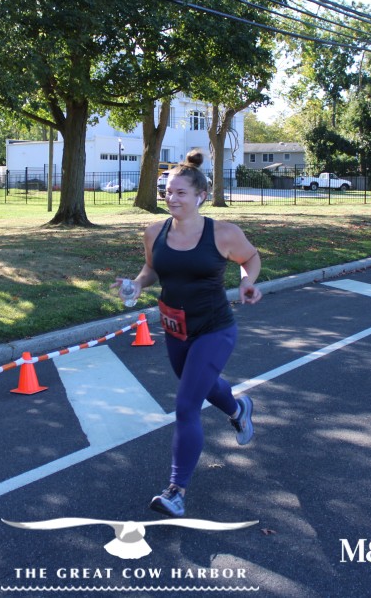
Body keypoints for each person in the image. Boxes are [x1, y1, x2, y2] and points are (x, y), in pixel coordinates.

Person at [113, 149, 262, 518]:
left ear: (200, 196)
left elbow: (250, 258)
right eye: (167, 191)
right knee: (203, 386)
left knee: (186, 405)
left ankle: (176, 491)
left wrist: (247, 283)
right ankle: (238, 408)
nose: (171, 198)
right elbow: (151, 269)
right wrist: (136, 284)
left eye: (180, 192)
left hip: (214, 329)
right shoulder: (154, 232)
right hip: (175, 328)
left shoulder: (223, 233)